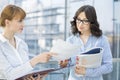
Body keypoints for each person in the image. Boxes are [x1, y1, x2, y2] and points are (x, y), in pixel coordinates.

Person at [0, 4, 54, 80]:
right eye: (20, 21)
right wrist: (36, 60)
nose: (23, 24)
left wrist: (33, 77)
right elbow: (9, 75)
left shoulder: (22, 44)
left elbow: (25, 71)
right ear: (7, 22)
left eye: (23, 20)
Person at [60, 5, 113, 80]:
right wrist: (64, 65)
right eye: (78, 20)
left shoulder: (102, 40)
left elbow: (108, 66)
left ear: (92, 22)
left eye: (85, 21)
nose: (80, 24)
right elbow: (66, 68)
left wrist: (87, 72)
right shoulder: (70, 40)